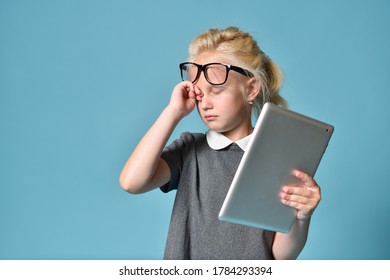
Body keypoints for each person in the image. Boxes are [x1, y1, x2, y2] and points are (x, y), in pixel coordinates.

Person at [119, 26, 321, 260]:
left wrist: (303, 216)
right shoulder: (189, 151)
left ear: (251, 89)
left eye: (216, 90)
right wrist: (173, 111)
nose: (205, 104)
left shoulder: (277, 158)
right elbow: (131, 182)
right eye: (199, 93)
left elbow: (279, 258)